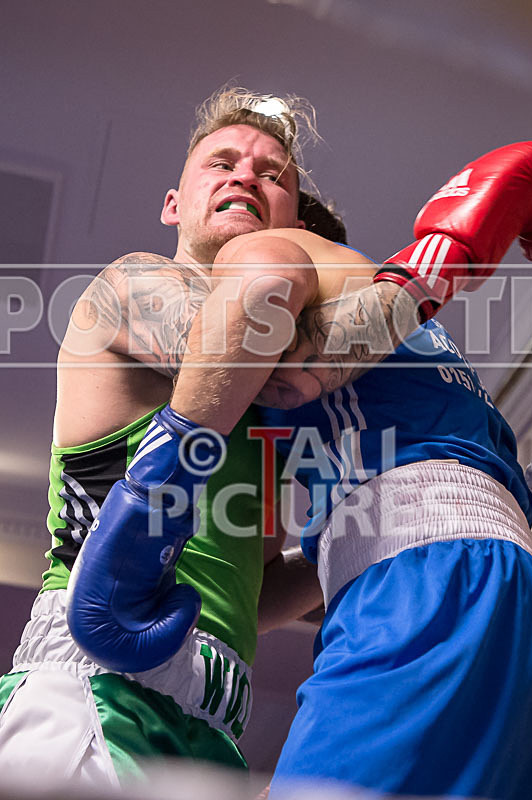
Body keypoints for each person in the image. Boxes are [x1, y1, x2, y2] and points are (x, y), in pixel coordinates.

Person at [0, 87, 417, 785]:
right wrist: (423, 279)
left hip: (217, 715)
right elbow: (254, 340)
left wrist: (358, 542)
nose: (246, 175)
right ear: (174, 204)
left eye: (272, 175)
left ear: (292, 221)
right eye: (221, 162)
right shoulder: (130, 286)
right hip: (94, 679)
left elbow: (249, 591)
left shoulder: (262, 425)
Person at [258, 142, 532, 799]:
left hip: (431, 589)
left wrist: (438, 263)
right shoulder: (287, 402)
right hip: (485, 593)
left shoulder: (301, 264)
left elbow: (304, 367)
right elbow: (261, 593)